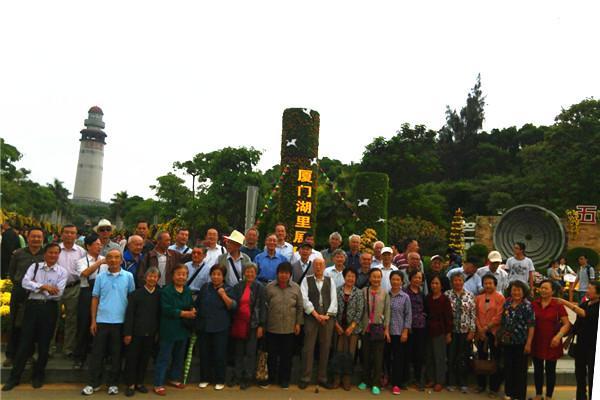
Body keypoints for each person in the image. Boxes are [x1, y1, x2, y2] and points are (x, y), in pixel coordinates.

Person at [2, 243, 68, 391]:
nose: (53, 255)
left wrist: (36, 287)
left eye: (56, 253)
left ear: (58, 255)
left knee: (44, 344)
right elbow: (25, 283)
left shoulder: (62, 272)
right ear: (45, 254)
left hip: (49, 309)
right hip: (32, 307)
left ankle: (38, 376)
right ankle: (14, 378)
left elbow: (57, 294)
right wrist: (44, 287)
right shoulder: (35, 267)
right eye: (50, 252)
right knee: (25, 342)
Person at [82, 249, 136, 396]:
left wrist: (129, 325)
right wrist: (93, 321)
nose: (113, 260)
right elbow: (95, 298)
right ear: (106, 260)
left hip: (120, 322)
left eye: (117, 257)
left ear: (121, 260)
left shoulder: (128, 276)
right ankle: (94, 383)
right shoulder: (100, 277)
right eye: (110, 257)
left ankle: (113, 383)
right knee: (97, 354)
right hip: (102, 321)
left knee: (116, 355)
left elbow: (131, 300)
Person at [4, 227, 45, 368]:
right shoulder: (18, 254)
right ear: (28, 237)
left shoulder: (45, 254)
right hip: (19, 292)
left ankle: (28, 355)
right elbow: (12, 272)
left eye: (39, 237)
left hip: (36, 293)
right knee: (14, 323)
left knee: (31, 325)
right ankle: (11, 355)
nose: (36, 239)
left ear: (42, 239)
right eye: (33, 236)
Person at [153, 264, 196, 395]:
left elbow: (190, 304)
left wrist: (192, 309)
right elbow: (166, 309)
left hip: (183, 329)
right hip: (169, 329)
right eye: (178, 274)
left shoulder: (187, 290)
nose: (181, 277)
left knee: (179, 356)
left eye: (184, 274)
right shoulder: (166, 291)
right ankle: (158, 383)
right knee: (164, 357)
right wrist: (184, 313)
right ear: (172, 276)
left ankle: (174, 378)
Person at [196, 264, 237, 390]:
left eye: (219, 274)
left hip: (221, 327)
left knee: (220, 354)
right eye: (213, 274)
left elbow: (233, 306)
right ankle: (205, 378)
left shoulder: (229, 289)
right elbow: (198, 304)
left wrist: (223, 295)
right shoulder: (205, 287)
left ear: (223, 277)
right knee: (204, 353)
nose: (215, 277)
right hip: (204, 326)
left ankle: (220, 380)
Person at [556, 281, 599, 400]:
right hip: (581, 345)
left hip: (594, 346)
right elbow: (577, 324)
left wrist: (564, 302)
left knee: (593, 374)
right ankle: (581, 397)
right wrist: (568, 338)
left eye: (590, 288)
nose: (587, 290)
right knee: (579, 373)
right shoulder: (585, 304)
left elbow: (585, 314)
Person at [298, 258, 337, 389]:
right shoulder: (306, 280)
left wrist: (327, 315)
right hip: (311, 317)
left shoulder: (330, 280)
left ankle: (322, 378)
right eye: (316, 265)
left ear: (325, 266)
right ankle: (305, 377)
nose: (318, 267)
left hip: (327, 318)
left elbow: (334, 300)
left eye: (321, 264)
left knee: (325, 348)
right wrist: (315, 314)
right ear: (313, 267)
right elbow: (304, 299)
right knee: (308, 348)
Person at [264, 262, 303, 389]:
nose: (283, 275)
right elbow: (264, 306)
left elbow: (300, 307)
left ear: (290, 275)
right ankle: (271, 378)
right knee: (272, 355)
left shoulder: (296, 288)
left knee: (287, 356)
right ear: (277, 273)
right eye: (281, 272)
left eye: (286, 273)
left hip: (289, 328)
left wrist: (298, 323)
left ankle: (284, 380)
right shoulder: (269, 287)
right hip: (272, 327)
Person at [123, 267, 161, 397]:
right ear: (145, 278)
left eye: (155, 277)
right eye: (150, 276)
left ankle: (139, 383)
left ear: (158, 279)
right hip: (135, 333)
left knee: (144, 359)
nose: (152, 279)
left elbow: (159, 315)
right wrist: (127, 333)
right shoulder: (135, 294)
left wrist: (157, 332)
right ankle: (130, 384)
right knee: (132, 359)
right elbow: (129, 315)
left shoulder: (159, 295)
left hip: (151, 333)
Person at [531, 279, 570, 400]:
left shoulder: (558, 305)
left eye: (546, 288)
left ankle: (549, 396)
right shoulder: (534, 304)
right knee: (537, 369)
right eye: (541, 288)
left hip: (552, 342)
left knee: (550, 370)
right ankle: (538, 394)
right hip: (537, 341)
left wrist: (558, 336)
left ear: (552, 291)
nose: (543, 290)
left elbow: (567, 324)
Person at [229, 263, 266, 390]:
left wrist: (261, 325)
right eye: (247, 271)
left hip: (253, 324)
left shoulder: (260, 287)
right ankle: (237, 375)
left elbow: (263, 308)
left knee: (250, 352)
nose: (249, 274)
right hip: (239, 323)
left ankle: (248, 377)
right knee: (238, 351)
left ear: (256, 274)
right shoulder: (238, 287)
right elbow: (233, 304)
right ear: (244, 273)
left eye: (252, 272)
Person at [73, 234, 106, 370]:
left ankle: (98, 357)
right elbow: (84, 273)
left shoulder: (105, 259)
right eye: (96, 244)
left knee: (100, 326)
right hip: (86, 293)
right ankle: (79, 357)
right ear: (88, 246)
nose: (99, 246)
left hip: (102, 295)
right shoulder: (81, 261)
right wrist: (99, 263)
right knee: (83, 325)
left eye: (100, 244)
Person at [498, 280, 535, 400]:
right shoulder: (507, 303)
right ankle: (509, 393)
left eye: (519, 290)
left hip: (521, 342)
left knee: (520, 370)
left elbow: (531, 325)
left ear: (524, 292)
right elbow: (503, 322)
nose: (516, 292)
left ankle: (519, 395)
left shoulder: (527, 306)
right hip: (507, 342)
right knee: (508, 368)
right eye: (514, 290)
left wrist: (529, 343)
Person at [54, 225, 86, 357]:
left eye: (72, 233)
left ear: (76, 235)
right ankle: (49, 348)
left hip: (73, 288)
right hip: (55, 288)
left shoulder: (81, 252)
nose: (69, 235)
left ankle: (68, 348)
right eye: (66, 232)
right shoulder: (55, 249)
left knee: (71, 320)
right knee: (53, 318)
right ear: (61, 234)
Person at [358, 268, 390, 396]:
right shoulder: (363, 291)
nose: (376, 279)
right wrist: (360, 327)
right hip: (366, 329)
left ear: (381, 278)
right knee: (365, 356)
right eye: (374, 277)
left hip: (379, 330)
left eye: (378, 277)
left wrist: (386, 329)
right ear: (370, 278)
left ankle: (376, 383)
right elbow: (360, 310)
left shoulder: (385, 293)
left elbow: (387, 312)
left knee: (378, 358)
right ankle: (365, 380)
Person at [332, 268, 364, 390]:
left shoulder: (359, 292)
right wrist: (336, 325)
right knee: (338, 353)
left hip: (353, 329)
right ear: (344, 277)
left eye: (353, 276)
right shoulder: (337, 290)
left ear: (356, 278)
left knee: (350, 354)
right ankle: (336, 379)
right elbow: (333, 308)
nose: (350, 278)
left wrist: (352, 326)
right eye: (348, 276)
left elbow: (360, 311)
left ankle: (347, 379)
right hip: (339, 328)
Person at [445, 271, 476, 393]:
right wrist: (447, 332)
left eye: (460, 280)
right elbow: (445, 315)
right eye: (455, 280)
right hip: (451, 331)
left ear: (463, 282)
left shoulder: (470, 295)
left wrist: (472, 330)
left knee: (463, 357)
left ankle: (463, 382)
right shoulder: (447, 295)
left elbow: (473, 314)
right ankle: (451, 382)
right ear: (452, 282)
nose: (457, 282)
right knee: (451, 357)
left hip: (465, 331)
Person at [475, 274, 506, 396]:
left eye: (490, 283)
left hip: (494, 333)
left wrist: (487, 327)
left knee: (495, 359)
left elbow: (499, 316)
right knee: (481, 358)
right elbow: (475, 314)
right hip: (481, 333)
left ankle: (494, 387)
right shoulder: (478, 298)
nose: (488, 285)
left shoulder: (500, 298)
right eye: (485, 283)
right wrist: (480, 329)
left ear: (495, 284)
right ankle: (481, 385)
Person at [425, 275, 452, 393]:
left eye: (437, 283)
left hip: (440, 332)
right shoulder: (428, 298)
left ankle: (440, 381)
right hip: (428, 331)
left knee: (439, 357)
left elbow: (448, 317)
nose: (434, 285)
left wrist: (448, 333)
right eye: (432, 283)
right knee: (429, 356)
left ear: (441, 286)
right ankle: (431, 379)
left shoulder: (445, 299)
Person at [388, 271, 411, 395]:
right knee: (386, 357)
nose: (395, 282)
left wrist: (405, 331)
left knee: (398, 359)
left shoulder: (405, 297)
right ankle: (386, 379)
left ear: (402, 282)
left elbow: (408, 315)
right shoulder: (386, 294)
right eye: (393, 279)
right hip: (386, 332)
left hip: (399, 332)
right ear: (390, 280)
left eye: (398, 280)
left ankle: (396, 384)